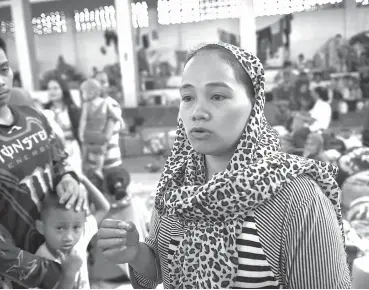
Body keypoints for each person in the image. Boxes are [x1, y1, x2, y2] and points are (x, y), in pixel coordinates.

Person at [96, 43, 351, 289]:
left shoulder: (298, 200)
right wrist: (137, 253)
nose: (197, 111)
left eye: (217, 96)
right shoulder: (176, 186)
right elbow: (158, 272)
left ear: (255, 106)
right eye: (187, 97)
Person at [0, 27, 86, 288]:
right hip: (12, 280)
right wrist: (44, 273)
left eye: (3, 69)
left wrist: (69, 177)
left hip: (64, 258)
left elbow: (59, 158)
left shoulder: (33, 117)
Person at [35, 175, 110, 289]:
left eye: (76, 227)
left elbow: (104, 208)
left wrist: (82, 179)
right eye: (60, 228)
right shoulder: (41, 261)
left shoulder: (81, 236)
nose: (69, 237)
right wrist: (69, 274)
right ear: (41, 227)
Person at [95, 71, 130, 208]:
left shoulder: (112, 105)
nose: (100, 85)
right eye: (97, 82)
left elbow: (106, 135)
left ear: (108, 85)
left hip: (111, 160)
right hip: (96, 162)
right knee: (102, 203)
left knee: (117, 199)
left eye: (103, 81)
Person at [78, 78, 124, 185]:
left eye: (103, 81)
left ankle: (96, 168)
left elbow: (108, 134)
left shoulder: (109, 103)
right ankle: (88, 165)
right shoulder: (87, 105)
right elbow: (83, 121)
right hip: (94, 156)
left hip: (110, 161)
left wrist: (120, 121)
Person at [44, 76, 82, 172]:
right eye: (49, 89)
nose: (52, 92)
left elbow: (79, 132)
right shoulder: (45, 110)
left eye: (55, 88)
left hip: (72, 149)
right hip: (52, 152)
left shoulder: (72, 109)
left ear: (63, 89)